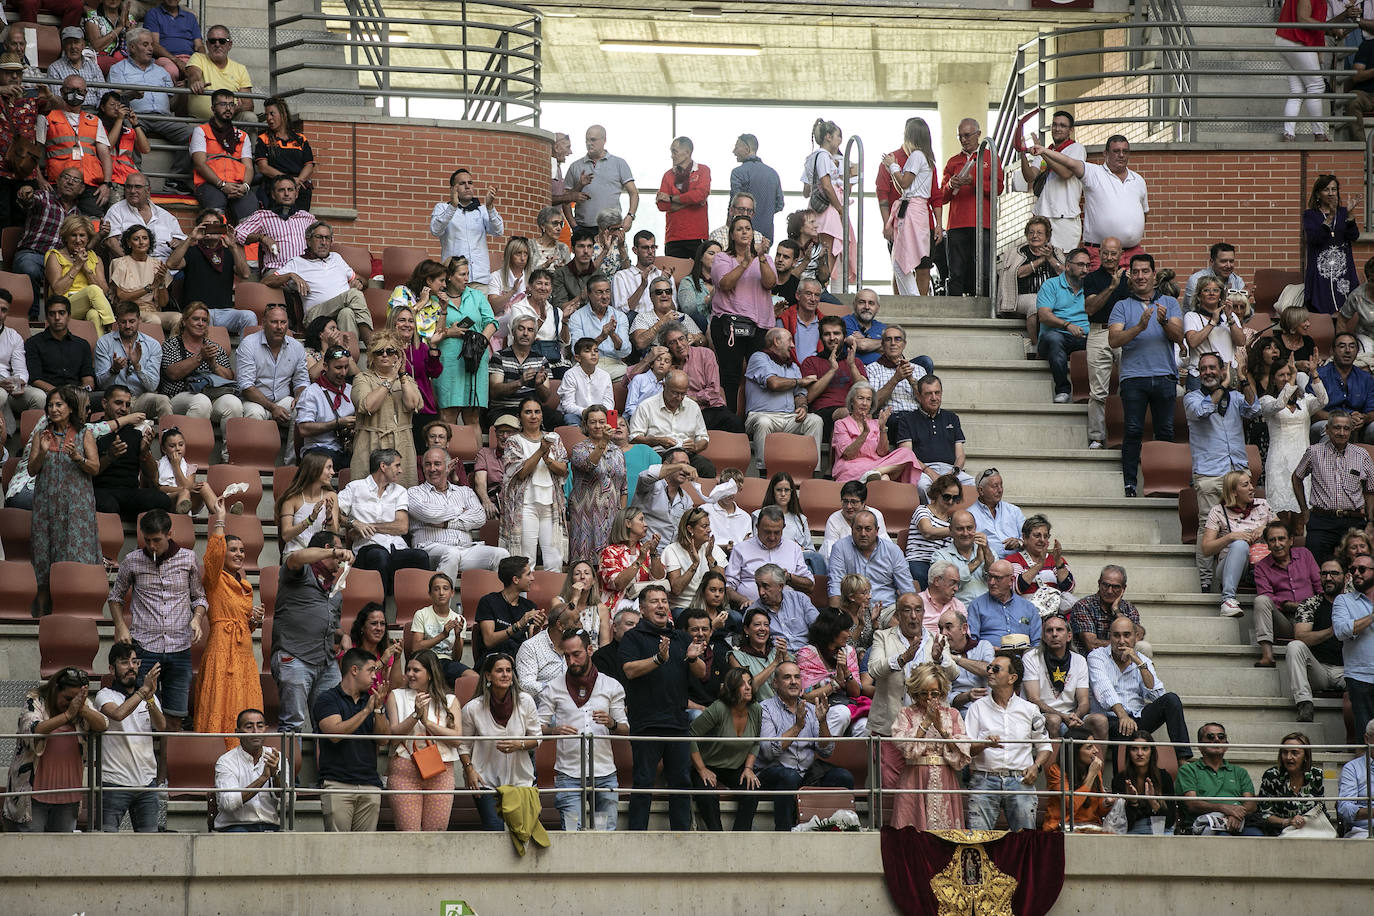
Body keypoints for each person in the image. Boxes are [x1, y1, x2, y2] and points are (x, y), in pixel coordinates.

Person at [107, 508, 205, 731]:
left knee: (175, 717)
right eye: (147, 540)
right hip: (144, 646)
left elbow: (199, 597)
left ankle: (166, 766)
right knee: (142, 713)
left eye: (157, 540)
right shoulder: (132, 561)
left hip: (179, 647)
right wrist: (121, 626)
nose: (152, 546)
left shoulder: (188, 558)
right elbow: (115, 598)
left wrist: (197, 619)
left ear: (169, 534)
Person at [617, 585, 704, 830]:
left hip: (678, 722)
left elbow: (701, 673)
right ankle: (637, 838)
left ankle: (681, 837)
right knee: (643, 782)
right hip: (646, 723)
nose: (661, 606)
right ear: (642, 609)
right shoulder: (633, 637)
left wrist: (694, 657)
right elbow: (629, 670)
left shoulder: (681, 637)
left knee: (681, 783)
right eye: (654, 601)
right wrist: (658, 659)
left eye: (664, 601)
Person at [539, 626, 628, 831]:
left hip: (604, 772)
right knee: (572, 833)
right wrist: (554, 731)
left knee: (604, 833)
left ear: (590, 650)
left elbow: (624, 729)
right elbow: (537, 727)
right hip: (568, 774)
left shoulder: (611, 686)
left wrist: (611, 723)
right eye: (567, 655)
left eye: (576, 654)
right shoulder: (553, 687)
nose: (571, 661)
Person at [1109, 253, 1184, 496]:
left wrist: (1162, 323)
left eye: (1145, 271)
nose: (1141, 276)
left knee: (1165, 432)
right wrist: (1140, 327)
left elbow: (1179, 336)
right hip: (1133, 377)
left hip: (1164, 376)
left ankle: (1165, 483)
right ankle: (1130, 483)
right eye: (1136, 272)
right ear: (1130, 275)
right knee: (1132, 431)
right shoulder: (1121, 305)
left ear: (1154, 274)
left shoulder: (1170, 303)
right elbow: (1113, 340)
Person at [4, 666, 107, 832]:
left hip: (69, 795)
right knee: (33, 850)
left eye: (76, 699)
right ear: (54, 690)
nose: (71, 703)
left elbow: (103, 725)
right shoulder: (35, 701)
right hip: (33, 797)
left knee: (62, 853)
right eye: (67, 698)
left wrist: (83, 709)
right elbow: (33, 730)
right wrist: (67, 716)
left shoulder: (81, 705)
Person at [195, 497, 264, 744]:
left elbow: (246, 624)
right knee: (220, 704)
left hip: (244, 653)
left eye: (241, 550)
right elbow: (211, 557)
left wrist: (255, 620)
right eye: (232, 550)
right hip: (221, 650)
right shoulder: (214, 579)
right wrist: (220, 520)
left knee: (244, 705)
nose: (238, 554)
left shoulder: (245, 586)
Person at [757, 660, 854, 831]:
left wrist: (823, 722)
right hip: (774, 772)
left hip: (805, 773)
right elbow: (768, 751)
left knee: (843, 777)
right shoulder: (765, 709)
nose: (793, 681)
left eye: (797, 677)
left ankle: (834, 831)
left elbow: (826, 751)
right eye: (787, 677)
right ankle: (783, 833)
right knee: (789, 777)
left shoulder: (810, 709)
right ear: (775, 683)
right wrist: (797, 727)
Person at [29, 386, 101, 613]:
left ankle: (77, 609)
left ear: (70, 408)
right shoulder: (42, 434)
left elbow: (95, 467)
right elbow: (32, 470)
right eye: (50, 405)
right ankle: (44, 619)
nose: (54, 409)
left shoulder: (84, 433)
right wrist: (41, 451)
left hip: (76, 507)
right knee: (44, 557)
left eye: (59, 405)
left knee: (75, 555)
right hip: (46, 506)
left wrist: (78, 458)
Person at [963, 650, 1053, 831]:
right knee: (978, 843)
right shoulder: (976, 708)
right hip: (983, 779)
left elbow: (1044, 746)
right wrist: (984, 744)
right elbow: (966, 748)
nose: (989, 672)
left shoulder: (1031, 709)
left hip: (1020, 780)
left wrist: (1035, 767)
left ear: (1012, 678)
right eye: (989, 668)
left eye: (996, 669)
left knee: (1024, 842)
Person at [1031, 134, 1148, 271]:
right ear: (1105, 153)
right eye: (1116, 151)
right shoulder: (1094, 173)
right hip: (1100, 254)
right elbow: (1070, 162)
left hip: (1133, 253)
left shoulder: (1138, 180)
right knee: (1100, 291)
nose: (1121, 155)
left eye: (1125, 151)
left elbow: (1144, 214)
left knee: (1138, 291)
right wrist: (1044, 151)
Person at [271, 530, 351, 731]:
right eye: (338, 548)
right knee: (292, 723)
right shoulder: (300, 571)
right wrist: (335, 552)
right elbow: (296, 557)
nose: (341, 555)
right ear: (328, 549)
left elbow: (332, 625)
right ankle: (288, 764)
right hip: (295, 656)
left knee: (331, 724)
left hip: (326, 661)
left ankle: (327, 764)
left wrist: (343, 635)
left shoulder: (335, 588)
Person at [1088, 617, 1192, 761]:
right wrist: (1123, 716)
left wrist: (1139, 663)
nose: (1122, 640)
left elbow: (1157, 695)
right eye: (1116, 635)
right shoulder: (1097, 656)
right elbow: (1104, 690)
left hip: (1137, 717)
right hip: (1110, 719)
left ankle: (1183, 759)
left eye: (1126, 635)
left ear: (1135, 637)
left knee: (1171, 699)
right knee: (1123, 728)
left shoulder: (1143, 660)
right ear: (1109, 637)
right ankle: (1121, 782)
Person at [381, 648, 462, 832]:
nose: (409, 674)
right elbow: (393, 738)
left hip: (440, 771)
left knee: (436, 834)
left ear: (431, 674)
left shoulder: (450, 700)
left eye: (416, 670)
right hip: (404, 769)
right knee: (408, 834)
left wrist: (427, 723)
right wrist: (415, 716)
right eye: (408, 669)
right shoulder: (396, 696)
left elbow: (457, 739)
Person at [313, 648, 387, 832]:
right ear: (354, 670)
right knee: (337, 850)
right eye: (370, 671)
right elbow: (335, 734)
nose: (374, 677)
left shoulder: (372, 700)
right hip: (338, 784)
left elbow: (384, 740)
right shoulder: (327, 699)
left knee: (364, 851)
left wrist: (378, 710)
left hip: (370, 783)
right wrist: (366, 711)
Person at [337, 447, 428, 596]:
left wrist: (368, 526)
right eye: (397, 465)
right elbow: (335, 513)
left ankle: (419, 613)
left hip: (396, 549)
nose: (401, 471)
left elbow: (402, 526)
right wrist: (354, 523)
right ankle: (380, 613)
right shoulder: (355, 488)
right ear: (383, 466)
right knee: (379, 555)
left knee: (421, 556)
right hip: (367, 549)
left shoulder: (400, 491)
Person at [890, 662, 970, 830]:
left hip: (945, 778)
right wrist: (925, 723)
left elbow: (962, 750)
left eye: (934, 693)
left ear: (942, 692)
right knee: (912, 834)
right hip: (914, 777)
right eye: (922, 693)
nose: (928, 698)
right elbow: (904, 746)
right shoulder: (906, 714)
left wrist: (941, 728)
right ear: (914, 692)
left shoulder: (953, 714)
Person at [268, 221, 374, 345]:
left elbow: (364, 280)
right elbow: (267, 281)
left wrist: (359, 282)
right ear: (308, 240)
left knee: (347, 313)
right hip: (314, 315)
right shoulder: (297, 262)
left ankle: (348, 356)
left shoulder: (337, 258)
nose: (324, 242)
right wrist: (291, 275)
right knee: (354, 295)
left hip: (340, 311)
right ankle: (371, 345)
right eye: (319, 237)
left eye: (327, 238)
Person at [110, 30, 190, 193]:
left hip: (164, 118)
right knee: (127, 129)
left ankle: (175, 180)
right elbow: (112, 101)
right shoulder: (118, 69)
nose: (150, 49)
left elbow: (172, 105)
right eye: (145, 44)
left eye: (151, 45)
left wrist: (182, 93)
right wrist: (131, 95)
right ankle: (134, 177)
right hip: (135, 116)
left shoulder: (162, 72)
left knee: (195, 133)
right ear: (132, 47)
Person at [711, 214, 776, 412]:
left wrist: (761, 258)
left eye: (748, 228)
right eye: (739, 228)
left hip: (760, 325)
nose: (745, 231)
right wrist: (746, 263)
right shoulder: (722, 258)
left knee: (759, 374)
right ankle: (730, 420)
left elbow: (770, 283)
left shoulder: (765, 259)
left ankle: (755, 418)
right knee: (730, 375)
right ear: (731, 235)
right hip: (729, 324)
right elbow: (725, 283)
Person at [95, 643, 163, 832]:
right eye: (124, 662)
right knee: (106, 842)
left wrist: (149, 698)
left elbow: (161, 726)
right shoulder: (104, 695)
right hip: (114, 782)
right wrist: (143, 692)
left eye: (135, 662)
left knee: (149, 844)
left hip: (147, 782)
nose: (131, 667)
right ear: (111, 668)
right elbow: (117, 714)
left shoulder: (148, 697)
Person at [686, 666, 762, 832]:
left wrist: (749, 768)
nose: (748, 687)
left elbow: (756, 741)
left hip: (734, 767)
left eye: (750, 683)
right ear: (732, 687)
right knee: (707, 792)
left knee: (753, 789)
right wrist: (702, 769)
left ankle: (739, 837)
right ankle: (717, 836)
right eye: (742, 684)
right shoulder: (718, 708)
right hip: (707, 764)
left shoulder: (756, 709)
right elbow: (690, 735)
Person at [1293, 410, 1374, 563]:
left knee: (1357, 568)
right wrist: (1304, 510)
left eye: (1346, 428)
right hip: (1321, 520)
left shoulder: (1361, 454)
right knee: (1316, 569)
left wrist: (1370, 521)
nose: (1341, 432)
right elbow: (1297, 477)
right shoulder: (1314, 452)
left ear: (1351, 431)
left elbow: (1370, 489)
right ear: (1327, 429)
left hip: (1353, 522)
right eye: (1337, 428)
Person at [499, 396, 568, 570]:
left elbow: (564, 469)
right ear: (520, 416)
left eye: (537, 412)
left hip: (551, 504)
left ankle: (554, 596)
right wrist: (541, 451)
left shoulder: (554, 438)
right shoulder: (514, 441)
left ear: (542, 416)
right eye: (528, 412)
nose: (533, 416)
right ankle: (523, 596)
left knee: (554, 558)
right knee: (525, 559)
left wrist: (548, 459)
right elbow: (521, 473)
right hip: (525, 505)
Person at [236, 304, 309, 465]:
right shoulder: (249, 344)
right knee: (255, 414)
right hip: (254, 401)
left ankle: (290, 464)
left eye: (283, 322)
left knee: (302, 407)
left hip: (282, 400)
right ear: (264, 323)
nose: (279, 327)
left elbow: (302, 381)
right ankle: (253, 465)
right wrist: (272, 407)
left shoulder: (296, 347)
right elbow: (246, 387)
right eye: (274, 322)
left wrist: (299, 395)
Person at [1261, 355, 1327, 533]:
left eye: (1288, 374)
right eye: (1281, 375)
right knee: (1280, 520)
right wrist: (1292, 380)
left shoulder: (1304, 401)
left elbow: (1323, 401)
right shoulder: (1266, 400)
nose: (1285, 378)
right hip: (1278, 463)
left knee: (1300, 521)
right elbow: (1279, 404)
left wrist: (1314, 374)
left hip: (1301, 461)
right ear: (1273, 379)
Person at [165, 211, 255, 336]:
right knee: (204, 319)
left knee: (249, 316)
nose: (212, 228)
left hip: (225, 312)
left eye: (216, 224)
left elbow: (245, 274)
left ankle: (246, 355)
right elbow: (171, 264)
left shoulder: (228, 252)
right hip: (198, 311)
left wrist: (233, 246)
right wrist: (191, 238)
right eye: (207, 224)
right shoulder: (191, 251)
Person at [349, 329, 421, 485]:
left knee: (402, 494)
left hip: (402, 444)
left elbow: (413, 404)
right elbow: (368, 405)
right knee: (368, 495)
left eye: (390, 351)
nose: (384, 355)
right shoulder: (362, 378)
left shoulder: (406, 380)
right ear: (372, 356)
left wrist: (401, 377)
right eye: (379, 351)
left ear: (398, 355)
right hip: (370, 444)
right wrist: (389, 379)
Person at [941, 118, 1003, 295]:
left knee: (985, 270)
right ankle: (954, 313)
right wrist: (951, 185)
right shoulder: (953, 162)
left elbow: (998, 188)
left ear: (978, 134)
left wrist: (974, 181)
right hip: (957, 224)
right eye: (960, 136)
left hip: (983, 223)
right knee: (956, 272)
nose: (963, 140)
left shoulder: (991, 158)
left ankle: (986, 311)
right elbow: (942, 197)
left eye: (967, 135)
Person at [881, 117, 941, 296]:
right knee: (903, 260)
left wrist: (892, 166)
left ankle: (914, 298)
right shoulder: (927, 159)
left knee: (900, 262)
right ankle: (914, 297)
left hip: (912, 210)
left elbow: (904, 183)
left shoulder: (916, 156)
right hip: (916, 210)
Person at [37, 76, 112, 218]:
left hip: (89, 185)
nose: (75, 93)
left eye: (79, 90)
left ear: (86, 94)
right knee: (55, 222)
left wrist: (107, 184)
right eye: (70, 89)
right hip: (59, 184)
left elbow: (105, 155)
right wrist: (39, 179)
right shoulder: (47, 117)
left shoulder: (94, 120)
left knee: (93, 223)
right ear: (61, 91)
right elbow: (34, 151)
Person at [11, 168, 82, 315]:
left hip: (59, 259)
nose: (70, 182)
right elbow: (28, 201)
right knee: (29, 268)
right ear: (57, 180)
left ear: (81, 189)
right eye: (66, 177)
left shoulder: (78, 213)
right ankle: (33, 316)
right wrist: (26, 192)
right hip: (33, 253)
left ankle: (62, 318)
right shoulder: (43, 197)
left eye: (75, 180)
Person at [1250, 520, 1321, 665]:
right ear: (1267, 544)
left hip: (1312, 617)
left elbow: (1319, 585)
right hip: (1284, 619)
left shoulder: (1305, 555)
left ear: (1291, 540)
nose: (1277, 544)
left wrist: (1310, 606)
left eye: (1281, 538)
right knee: (1261, 600)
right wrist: (1287, 604)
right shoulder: (1261, 567)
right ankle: (1267, 655)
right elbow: (1267, 595)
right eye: (1272, 540)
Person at [1015, 110, 1086, 251]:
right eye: (1054, 125)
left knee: (1063, 262)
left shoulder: (1076, 148)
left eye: (1062, 125)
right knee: (1041, 262)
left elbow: (1065, 173)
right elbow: (1030, 176)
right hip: (1042, 216)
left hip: (1065, 218)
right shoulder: (1046, 150)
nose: (1057, 128)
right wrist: (1022, 152)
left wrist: (1044, 153)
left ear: (1071, 130)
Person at [1023, 615, 1104, 739]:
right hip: (1040, 715)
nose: (1054, 634)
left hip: (1071, 716)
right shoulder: (1031, 657)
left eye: (1059, 630)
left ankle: (1099, 759)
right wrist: (1062, 716)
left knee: (1099, 720)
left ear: (1069, 636)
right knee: (1054, 720)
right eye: (1049, 630)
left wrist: (1076, 715)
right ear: (1044, 637)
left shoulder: (1079, 660)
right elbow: (1033, 699)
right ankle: (1053, 759)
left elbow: (1084, 701)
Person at [1175, 722, 1263, 835]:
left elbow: (1251, 804)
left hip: (1239, 821)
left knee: (1256, 836)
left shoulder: (1240, 772)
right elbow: (1192, 804)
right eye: (1210, 737)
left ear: (1226, 745)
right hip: (1206, 825)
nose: (1216, 739)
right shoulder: (1188, 770)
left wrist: (1235, 815)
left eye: (1221, 737)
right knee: (1223, 838)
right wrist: (1223, 808)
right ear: (1200, 746)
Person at [1289, 559, 1348, 723]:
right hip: (1319, 670)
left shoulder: (1355, 605)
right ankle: (1304, 703)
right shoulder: (1310, 603)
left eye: (1334, 573)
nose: (1328, 578)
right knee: (1295, 646)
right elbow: (1301, 636)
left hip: (1347, 670)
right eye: (1324, 573)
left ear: (1346, 577)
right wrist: (1332, 631)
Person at [831, 382, 922, 485]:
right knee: (885, 478)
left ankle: (876, 472)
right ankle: (876, 474)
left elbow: (882, 453)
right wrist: (865, 433)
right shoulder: (841, 424)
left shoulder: (875, 423)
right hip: (852, 466)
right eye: (860, 398)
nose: (864, 403)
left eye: (868, 399)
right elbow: (848, 455)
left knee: (906, 453)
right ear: (852, 402)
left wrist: (883, 428)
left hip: (876, 464)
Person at [95, 302, 171, 419]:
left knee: (163, 400)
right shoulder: (104, 343)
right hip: (115, 400)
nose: (127, 326)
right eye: (123, 322)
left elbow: (153, 386)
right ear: (117, 321)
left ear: (139, 320)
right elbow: (101, 384)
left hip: (140, 398)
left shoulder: (152, 345)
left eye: (132, 321)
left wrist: (137, 366)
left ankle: (169, 435)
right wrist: (114, 370)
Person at [827, 508, 913, 611]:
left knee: (894, 622)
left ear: (877, 531)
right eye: (858, 529)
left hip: (886, 609)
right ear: (851, 529)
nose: (863, 534)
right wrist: (837, 618)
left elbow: (907, 589)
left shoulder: (893, 551)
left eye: (868, 529)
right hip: (853, 610)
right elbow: (835, 585)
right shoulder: (840, 548)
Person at [1036, 247, 1093, 402]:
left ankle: (1096, 393)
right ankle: (1062, 390)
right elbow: (1044, 315)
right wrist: (1067, 325)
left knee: (1104, 343)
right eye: (1081, 265)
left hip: (1086, 336)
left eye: (1088, 265)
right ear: (1068, 266)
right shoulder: (1051, 285)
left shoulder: (1091, 286)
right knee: (1055, 340)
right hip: (1056, 335)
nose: (1085, 269)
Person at [190, 90, 255, 222]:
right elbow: (200, 164)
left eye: (231, 105)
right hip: (210, 184)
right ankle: (217, 243)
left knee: (251, 218)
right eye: (223, 104)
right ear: (213, 108)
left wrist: (245, 186)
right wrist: (222, 185)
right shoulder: (201, 131)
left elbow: (248, 167)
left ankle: (244, 243)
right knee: (215, 217)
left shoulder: (242, 135)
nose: (228, 108)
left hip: (237, 185)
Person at [213, 709, 282, 831]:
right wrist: (263, 778)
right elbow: (229, 803)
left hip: (270, 826)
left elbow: (287, 801)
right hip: (235, 826)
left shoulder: (276, 757)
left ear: (266, 729)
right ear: (237, 732)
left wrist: (275, 775)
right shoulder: (226, 761)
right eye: (249, 727)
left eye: (260, 726)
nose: (255, 731)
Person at [45, 214, 114, 336]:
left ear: (88, 238)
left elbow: (103, 292)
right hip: (63, 306)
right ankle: (112, 329)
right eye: (73, 235)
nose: (78, 240)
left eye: (82, 235)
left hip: (90, 306)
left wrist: (86, 268)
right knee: (92, 290)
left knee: (94, 315)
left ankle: (99, 352)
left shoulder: (95, 258)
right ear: (66, 237)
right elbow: (58, 291)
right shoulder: (55, 256)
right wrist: (77, 266)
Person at [235, 174, 317, 277]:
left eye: (290, 190)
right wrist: (262, 238)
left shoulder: (308, 218)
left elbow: (324, 239)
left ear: (296, 194)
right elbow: (236, 234)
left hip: (305, 269)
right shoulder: (262, 216)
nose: (286, 194)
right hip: (277, 270)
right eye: (281, 190)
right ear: (273, 195)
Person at [999, 217, 1064, 346]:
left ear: (1047, 237)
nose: (1035, 236)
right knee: (1036, 303)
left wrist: (1050, 258)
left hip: (1052, 297)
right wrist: (1041, 260)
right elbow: (1016, 273)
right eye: (1031, 232)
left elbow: (1066, 274)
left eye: (1039, 233)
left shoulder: (1056, 252)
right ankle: (1036, 344)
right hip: (1021, 297)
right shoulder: (1017, 252)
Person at [1276, 0, 1334, 141]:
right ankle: (1319, 134)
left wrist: (1342, 18)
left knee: (1297, 92)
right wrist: (1330, 29)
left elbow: (1318, 25)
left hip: (1285, 39)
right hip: (1296, 40)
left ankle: (1288, 134)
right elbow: (1303, 18)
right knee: (1316, 86)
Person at [1303, 174, 1360, 315]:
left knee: (1345, 311)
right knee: (1321, 311)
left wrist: (1350, 215)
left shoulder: (1343, 212)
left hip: (1342, 272)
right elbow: (1315, 239)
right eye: (1326, 190)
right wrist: (1330, 217)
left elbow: (1354, 236)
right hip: (1321, 272)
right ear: (1318, 193)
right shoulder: (1310, 215)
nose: (1330, 193)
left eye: (1334, 189)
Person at [564, 125, 638, 232]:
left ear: (604, 140)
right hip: (583, 228)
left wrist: (630, 216)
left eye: (593, 140)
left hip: (612, 227)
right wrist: (574, 226)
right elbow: (565, 198)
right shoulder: (575, 166)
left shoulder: (619, 163)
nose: (589, 143)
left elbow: (634, 193)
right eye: (587, 140)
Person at [294, 345, 355, 469]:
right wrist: (337, 423)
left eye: (346, 367)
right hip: (319, 450)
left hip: (346, 450)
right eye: (338, 368)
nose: (343, 373)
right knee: (324, 460)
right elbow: (303, 429)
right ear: (325, 366)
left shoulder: (352, 390)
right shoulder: (311, 392)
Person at [108, 226, 177, 336]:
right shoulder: (120, 263)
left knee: (178, 318)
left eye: (145, 238)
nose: (141, 242)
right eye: (136, 239)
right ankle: (154, 352)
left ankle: (171, 351)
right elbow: (122, 296)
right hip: (129, 312)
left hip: (152, 310)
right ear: (129, 243)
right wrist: (150, 287)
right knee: (154, 320)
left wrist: (161, 283)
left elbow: (163, 303)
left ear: (150, 242)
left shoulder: (157, 264)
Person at [1183, 279, 1248, 394]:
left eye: (1216, 290)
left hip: (1227, 374)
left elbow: (1241, 341)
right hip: (1201, 375)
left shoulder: (1231, 315)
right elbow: (1192, 342)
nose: (1211, 293)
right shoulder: (1191, 316)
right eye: (1206, 290)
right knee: (1202, 410)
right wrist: (1213, 322)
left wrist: (1230, 319)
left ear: (1220, 296)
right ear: (1199, 296)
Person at [1257, 732, 1327, 835]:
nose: (1289, 757)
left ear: (1305, 756)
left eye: (1295, 753)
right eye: (1285, 752)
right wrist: (1288, 821)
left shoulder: (1316, 775)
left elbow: (1320, 808)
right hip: (1280, 831)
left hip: (1311, 829)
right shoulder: (1271, 776)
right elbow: (1264, 814)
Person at [1007, 513, 1078, 615]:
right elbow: (1016, 588)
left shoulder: (1056, 559)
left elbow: (1069, 588)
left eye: (1046, 536)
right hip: (1025, 615)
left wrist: (1058, 562)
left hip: (1054, 617)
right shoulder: (1014, 560)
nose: (1042, 540)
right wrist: (1039, 565)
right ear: (1024, 538)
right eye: (1037, 535)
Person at [1042, 731, 1113, 832]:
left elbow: (1100, 811)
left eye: (1094, 746)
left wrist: (1107, 803)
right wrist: (1091, 775)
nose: (1096, 750)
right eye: (1089, 747)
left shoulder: (1096, 771)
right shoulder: (1056, 771)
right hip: (1062, 827)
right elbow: (1072, 805)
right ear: (1075, 751)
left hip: (1090, 827)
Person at [1310, 332, 1374, 443]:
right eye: (1342, 346)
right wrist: (1344, 419)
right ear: (1332, 351)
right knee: (1332, 428)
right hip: (1326, 422)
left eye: (1352, 346)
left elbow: (1372, 411)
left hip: (1358, 428)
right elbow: (1312, 412)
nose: (1348, 350)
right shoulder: (1319, 375)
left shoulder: (1366, 378)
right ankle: (1328, 460)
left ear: (1357, 351)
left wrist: (1364, 418)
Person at [1336, 555, 1374, 739]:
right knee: (1365, 737)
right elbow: (1341, 631)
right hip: (1360, 676)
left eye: (1362, 569)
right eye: (1352, 570)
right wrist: (1371, 617)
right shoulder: (1343, 601)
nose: (1356, 574)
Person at [254, 97, 315, 209]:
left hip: (298, 186)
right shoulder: (263, 139)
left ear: (283, 114)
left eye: (272, 114)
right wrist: (288, 181)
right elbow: (263, 167)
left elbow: (309, 165)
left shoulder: (300, 139)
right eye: (266, 115)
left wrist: (298, 180)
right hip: (275, 188)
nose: (269, 118)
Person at [1109, 733, 1177, 835]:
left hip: (1161, 828)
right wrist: (1133, 802)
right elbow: (1124, 826)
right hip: (1133, 829)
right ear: (1129, 752)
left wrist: (1153, 802)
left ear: (1151, 752)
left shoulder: (1164, 777)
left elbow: (1169, 821)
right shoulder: (1120, 779)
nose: (1140, 753)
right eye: (1134, 749)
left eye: (1145, 749)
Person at [1069, 564, 1144, 654]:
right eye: (1105, 585)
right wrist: (1123, 643)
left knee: (1144, 647)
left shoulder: (1129, 608)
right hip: (1091, 658)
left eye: (1115, 587)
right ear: (1099, 584)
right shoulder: (1083, 606)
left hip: (1122, 657)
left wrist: (1117, 611)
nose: (1109, 591)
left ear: (1123, 588)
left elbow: (1138, 636)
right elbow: (1092, 645)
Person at [905, 473, 963, 589]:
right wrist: (955, 530)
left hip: (941, 564)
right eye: (947, 497)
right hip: (919, 560)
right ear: (937, 493)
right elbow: (928, 532)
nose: (951, 501)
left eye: (955, 498)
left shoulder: (952, 521)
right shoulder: (923, 510)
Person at [184, 25, 253, 120]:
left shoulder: (240, 69)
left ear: (230, 45)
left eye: (222, 41)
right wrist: (195, 82)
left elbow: (248, 104)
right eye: (213, 41)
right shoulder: (198, 57)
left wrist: (232, 110)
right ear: (207, 44)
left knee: (250, 117)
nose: (217, 44)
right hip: (200, 122)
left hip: (230, 121)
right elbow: (193, 73)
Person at [95, 91, 150, 206]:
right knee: (116, 213)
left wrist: (135, 124)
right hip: (113, 179)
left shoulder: (127, 129)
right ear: (103, 107)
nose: (116, 108)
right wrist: (120, 119)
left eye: (119, 105)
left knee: (140, 211)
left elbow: (145, 149)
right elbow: (108, 145)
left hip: (130, 177)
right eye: (112, 105)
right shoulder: (97, 125)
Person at [729, 135, 784, 243]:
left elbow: (735, 203)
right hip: (766, 235)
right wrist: (765, 213)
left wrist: (729, 227)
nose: (733, 151)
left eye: (736, 147)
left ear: (746, 148)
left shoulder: (738, 172)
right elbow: (779, 205)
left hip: (742, 235)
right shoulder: (773, 174)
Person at [933, 510, 993, 604]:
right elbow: (943, 587)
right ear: (951, 530)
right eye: (960, 529)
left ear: (975, 528)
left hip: (989, 608)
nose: (965, 533)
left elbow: (998, 580)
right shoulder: (940, 556)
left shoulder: (988, 551)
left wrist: (988, 553)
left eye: (969, 528)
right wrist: (976, 562)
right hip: (959, 612)